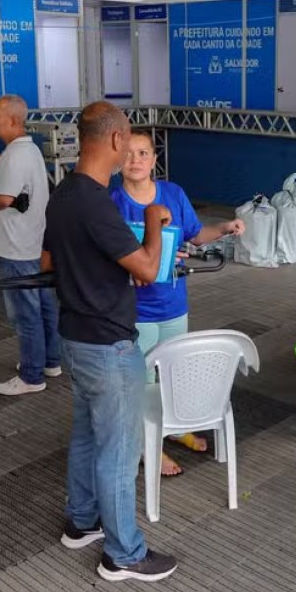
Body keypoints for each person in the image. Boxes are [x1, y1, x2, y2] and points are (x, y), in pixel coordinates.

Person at [44, 101, 177, 582]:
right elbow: (145, 267)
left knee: (85, 436)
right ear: (118, 141)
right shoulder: (96, 202)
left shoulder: (63, 194)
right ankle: (124, 554)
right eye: (131, 144)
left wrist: (102, 271)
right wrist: (156, 223)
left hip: (75, 338)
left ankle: (82, 522)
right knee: (118, 454)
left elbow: (48, 264)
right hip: (108, 346)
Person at [111, 129, 245, 476]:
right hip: (134, 309)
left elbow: (195, 235)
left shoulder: (173, 194)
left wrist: (225, 227)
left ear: (155, 159)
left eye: (143, 153)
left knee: (171, 374)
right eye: (128, 154)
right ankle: (146, 446)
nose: (135, 160)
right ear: (117, 162)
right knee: (139, 382)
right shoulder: (112, 202)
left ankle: (171, 427)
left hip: (173, 304)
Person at [0, 95, 61, 396]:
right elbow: (22, 194)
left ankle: (32, 376)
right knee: (45, 305)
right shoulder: (29, 150)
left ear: (12, 119)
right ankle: (50, 361)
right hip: (34, 240)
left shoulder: (14, 155)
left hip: (15, 246)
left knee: (25, 313)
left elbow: (5, 200)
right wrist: (1, 166)